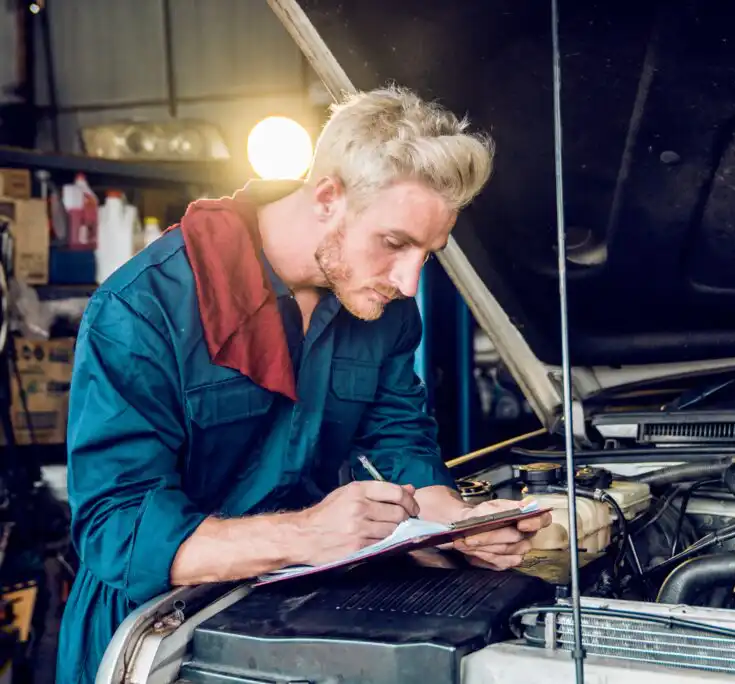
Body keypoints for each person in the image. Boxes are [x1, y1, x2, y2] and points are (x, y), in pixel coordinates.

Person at [56, 86, 552, 684]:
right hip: (147, 632)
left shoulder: (384, 310)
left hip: (296, 610)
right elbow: (118, 529)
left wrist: (457, 526)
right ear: (327, 198)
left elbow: (400, 445)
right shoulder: (143, 309)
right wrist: (307, 533)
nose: (408, 281)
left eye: (428, 253)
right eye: (395, 243)